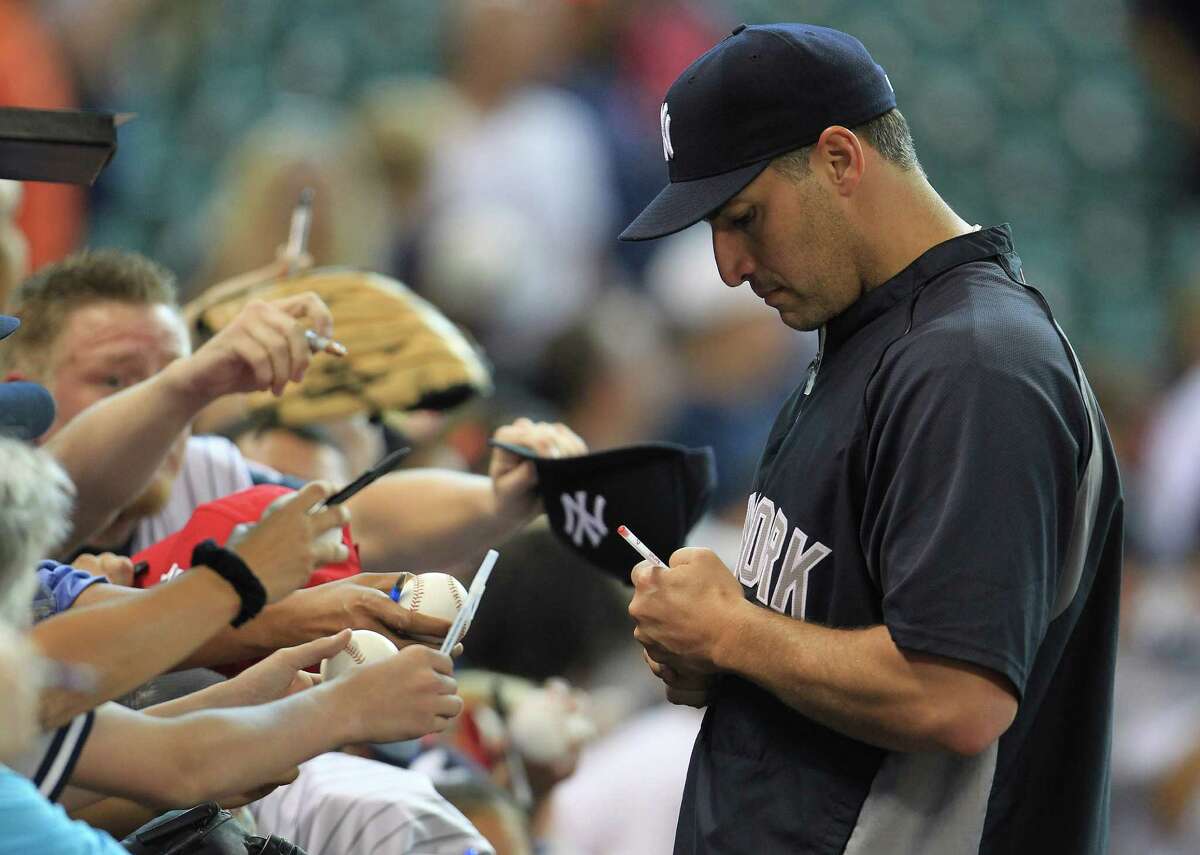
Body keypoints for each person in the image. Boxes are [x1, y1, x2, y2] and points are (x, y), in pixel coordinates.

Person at [621, 23, 1123, 855]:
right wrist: (724, 655)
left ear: (841, 159)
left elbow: (955, 696)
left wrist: (732, 632)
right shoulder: (868, 334)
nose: (727, 267)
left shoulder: (975, 365)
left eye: (743, 217)